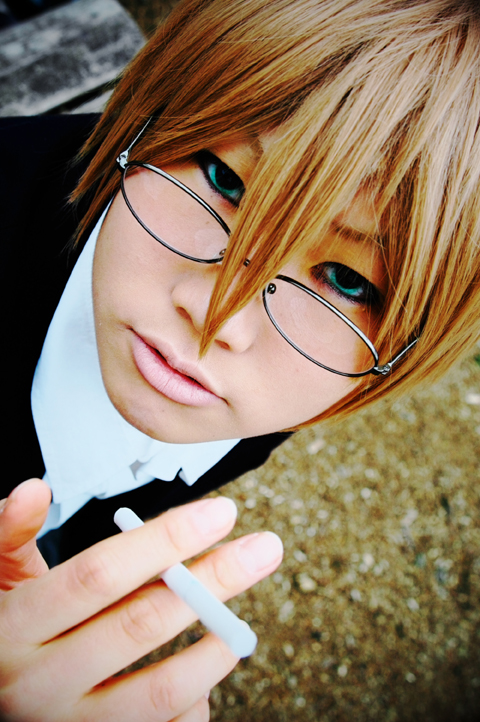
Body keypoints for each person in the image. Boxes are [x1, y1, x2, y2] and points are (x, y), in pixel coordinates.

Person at [1, 0, 479, 718]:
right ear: (144, 116)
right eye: (225, 179)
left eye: (346, 281)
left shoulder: (283, 385)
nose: (218, 317)